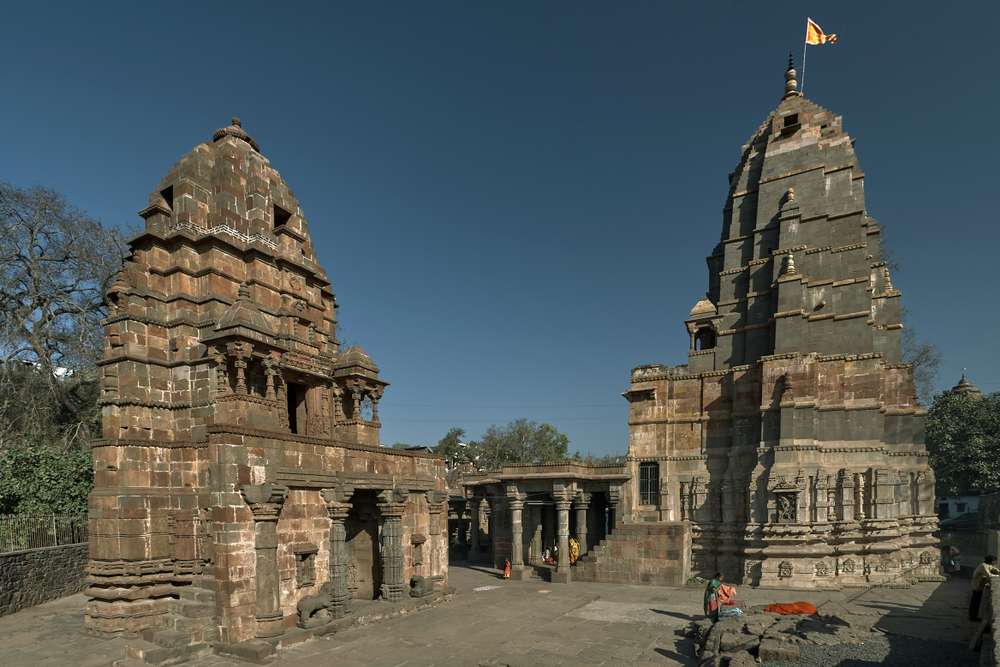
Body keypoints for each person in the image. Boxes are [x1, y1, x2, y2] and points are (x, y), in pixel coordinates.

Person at [970, 555, 999, 622]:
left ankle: (974, 616)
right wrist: (997, 575)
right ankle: (973, 617)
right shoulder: (983, 566)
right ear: (992, 561)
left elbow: (994, 570)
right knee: (975, 602)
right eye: (995, 561)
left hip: (980, 585)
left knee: (977, 601)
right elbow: (989, 575)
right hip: (977, 586)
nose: (995, 562)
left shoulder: (988, 565)